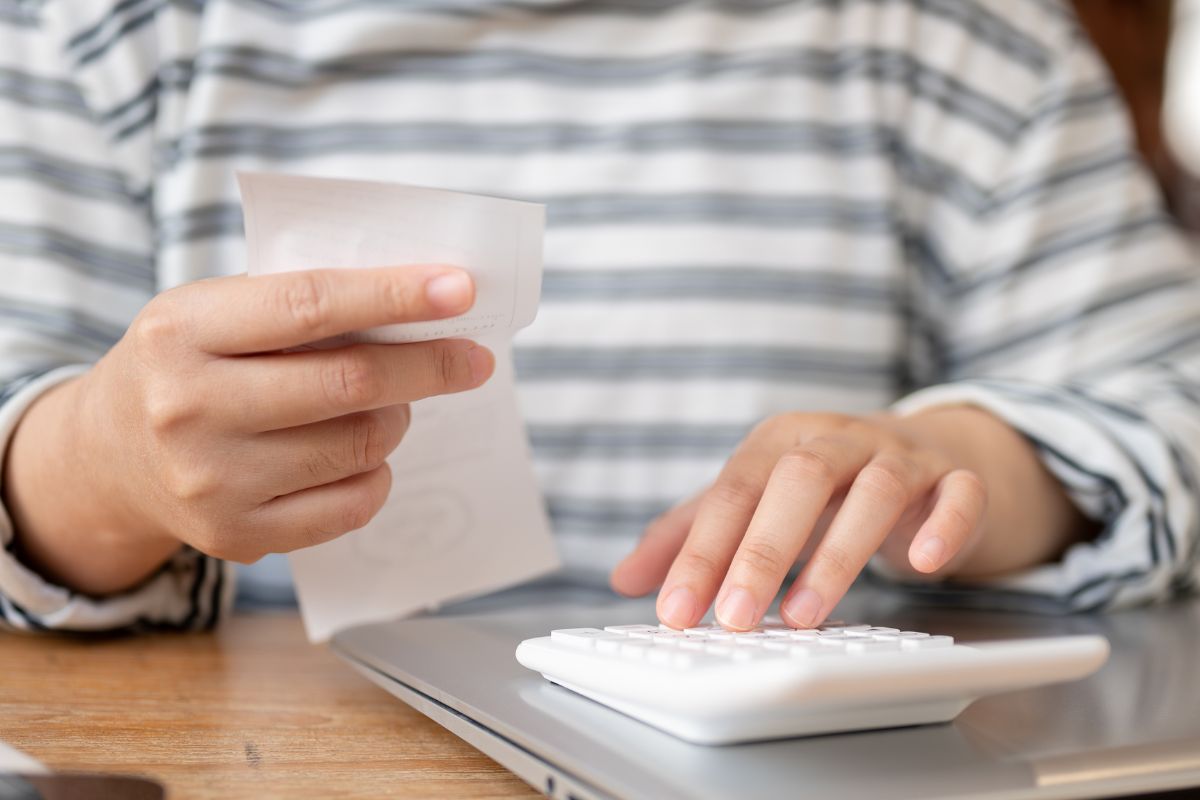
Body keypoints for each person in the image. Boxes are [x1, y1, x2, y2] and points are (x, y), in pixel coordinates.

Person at [1, 0, 1197, 635]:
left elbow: (1172, 406)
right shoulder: (105, 27)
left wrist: (965, 463)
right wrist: (101, 465)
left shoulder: (949, 32)